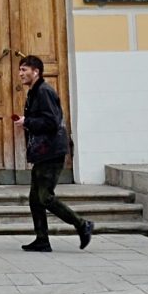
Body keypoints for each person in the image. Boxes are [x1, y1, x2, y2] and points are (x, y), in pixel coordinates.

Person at [11, 55, 93, 252]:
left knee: (45, 197)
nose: (20, 73)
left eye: (24, 69)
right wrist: (27, 120)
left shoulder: (44, 91)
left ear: (36, 72)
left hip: (51, 151)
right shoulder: (35, 91)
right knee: (34, 198)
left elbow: (52, 122)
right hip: (43, 151)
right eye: (20, 70)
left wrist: (27, 122)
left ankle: (82, 224)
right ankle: (42, 239)